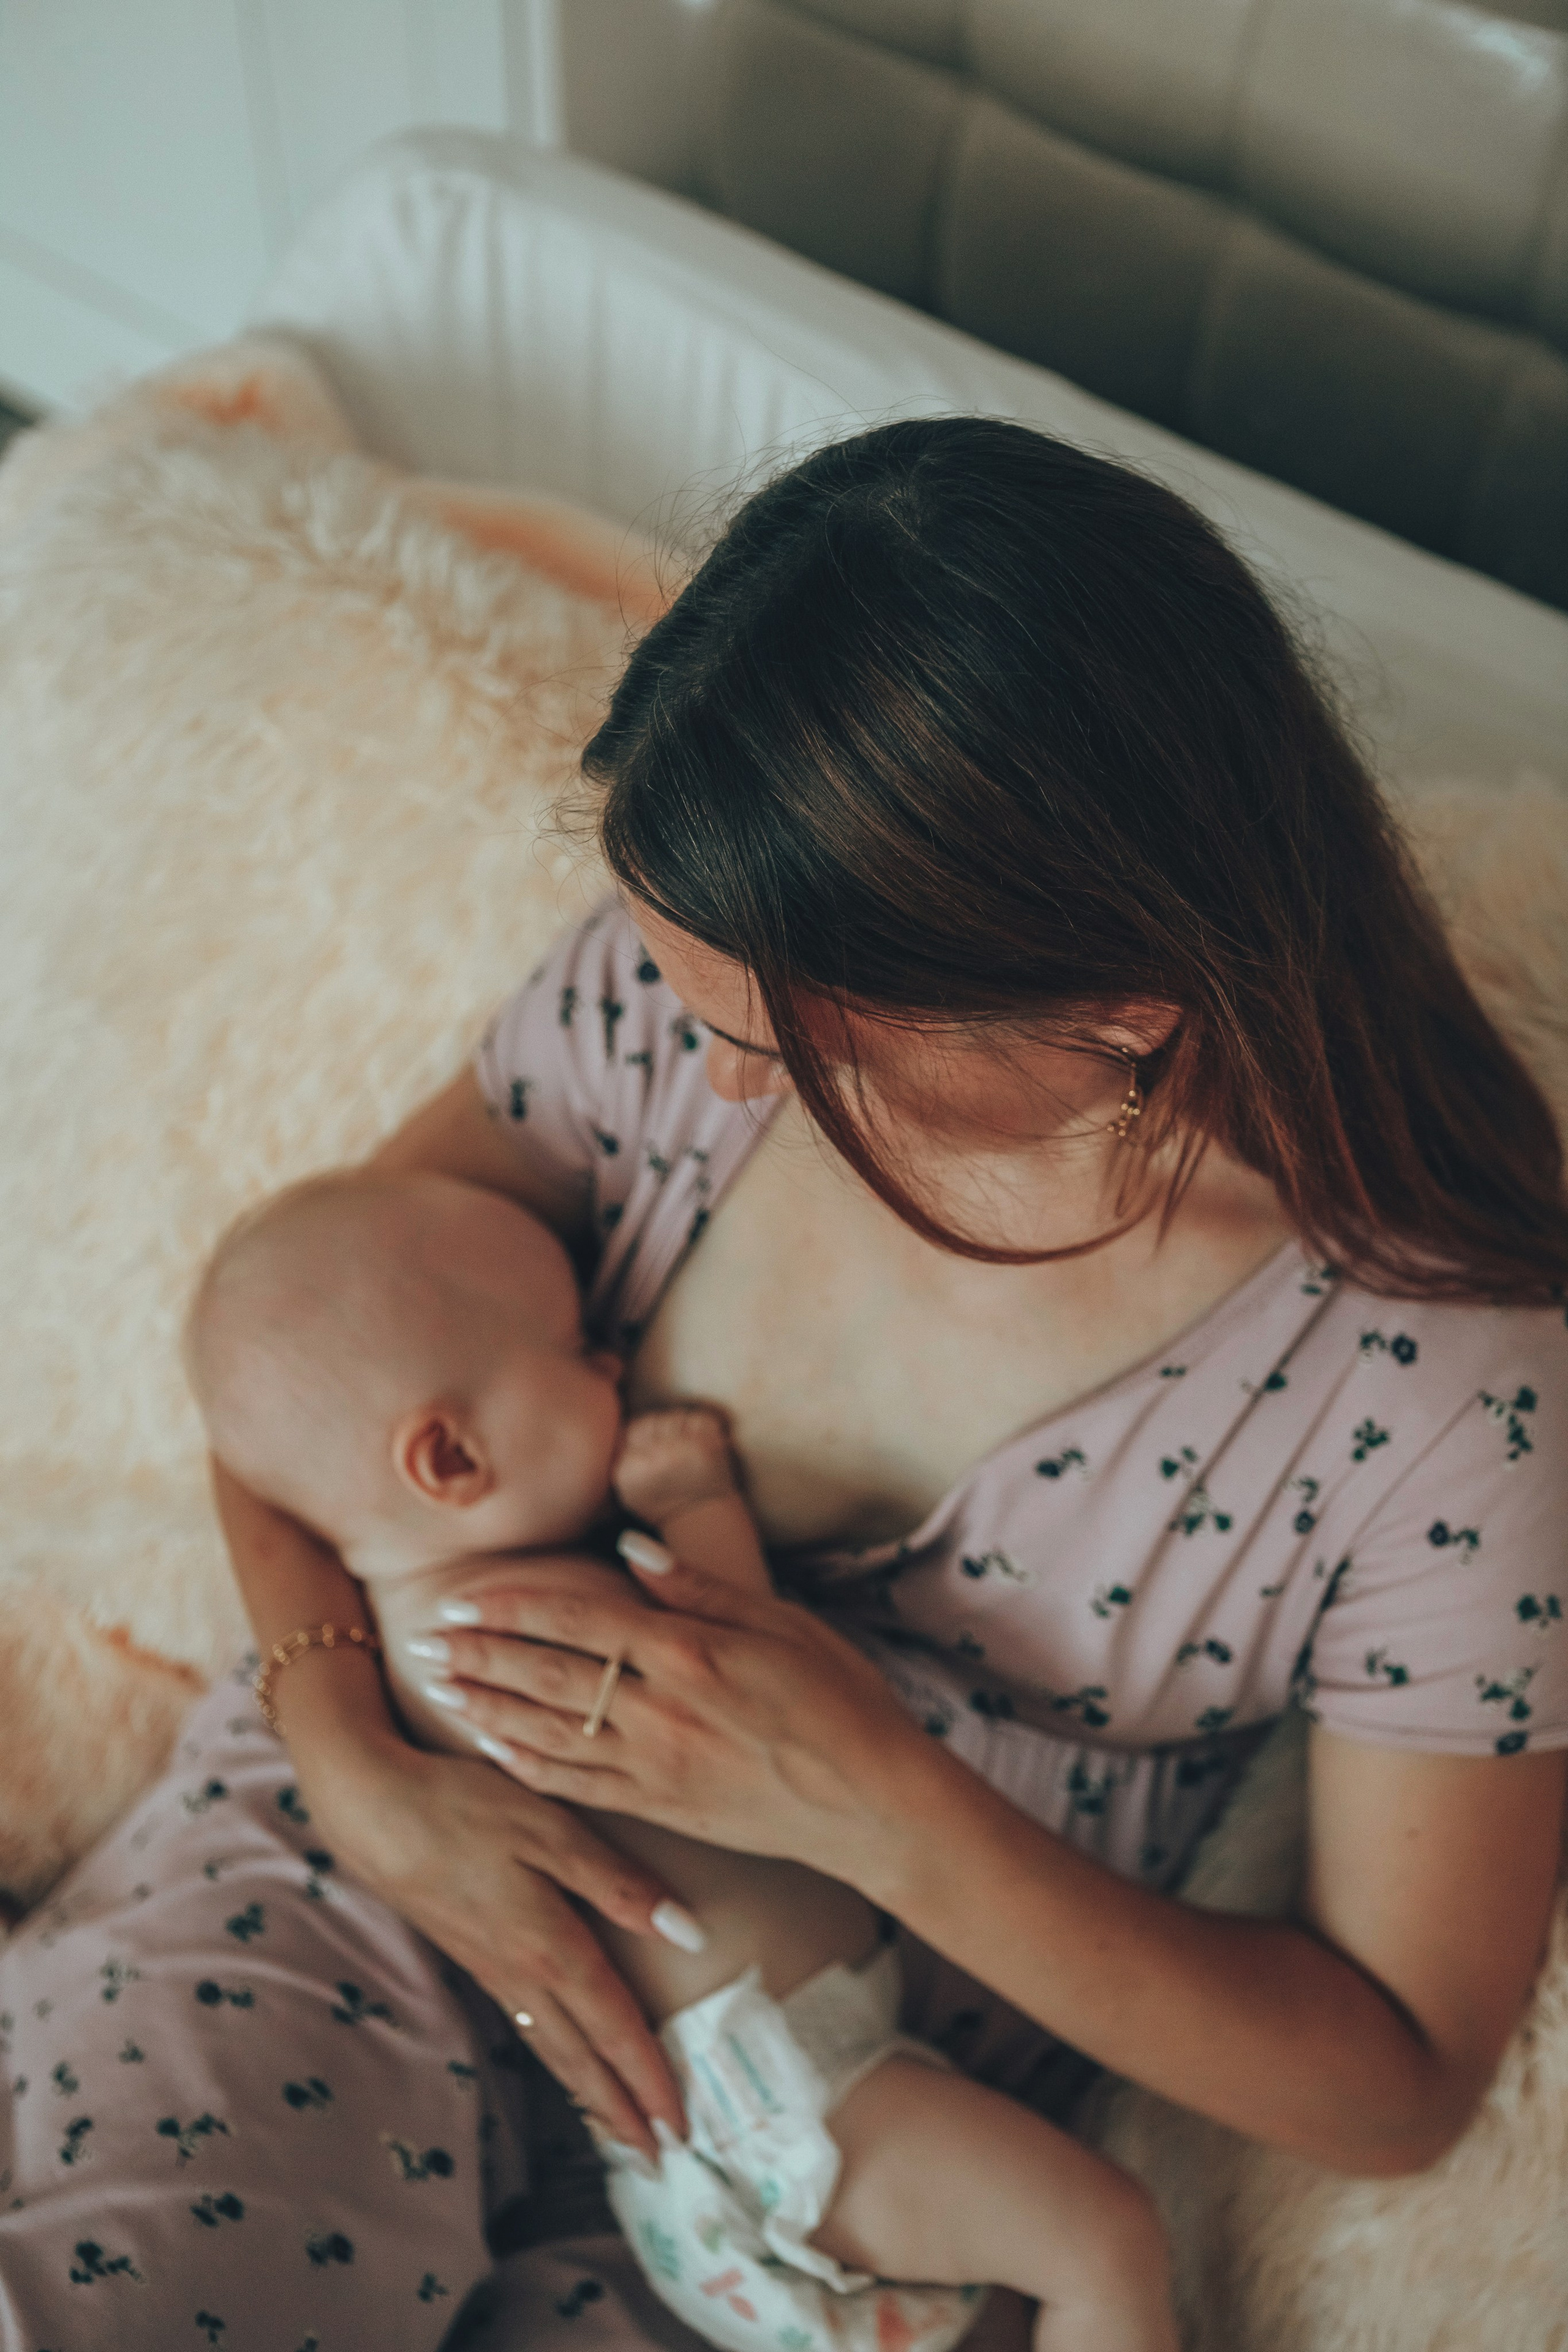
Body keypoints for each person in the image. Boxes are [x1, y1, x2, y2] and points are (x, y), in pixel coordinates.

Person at [3, 417, 1566, 2352]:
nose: (712, 1079)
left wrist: (883, 1806)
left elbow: (1398, 2077)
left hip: (827, 2130)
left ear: (1111, 1012)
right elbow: (292, 1356)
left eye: (787, 1050)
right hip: (370, 1881)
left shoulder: (1437, 1398)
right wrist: (347, 1754)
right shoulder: (685, 987)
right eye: (690, 1001)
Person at [186, 1164, 1179, 2351]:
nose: (610, 1364)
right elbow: (750, 1685)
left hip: (715, 2154)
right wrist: (698, 1504)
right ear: (448, 1460)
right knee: (1103, 2244)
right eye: (571, 1351)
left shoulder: (421, 1647)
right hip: (800, 2111)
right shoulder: (519, 1623)